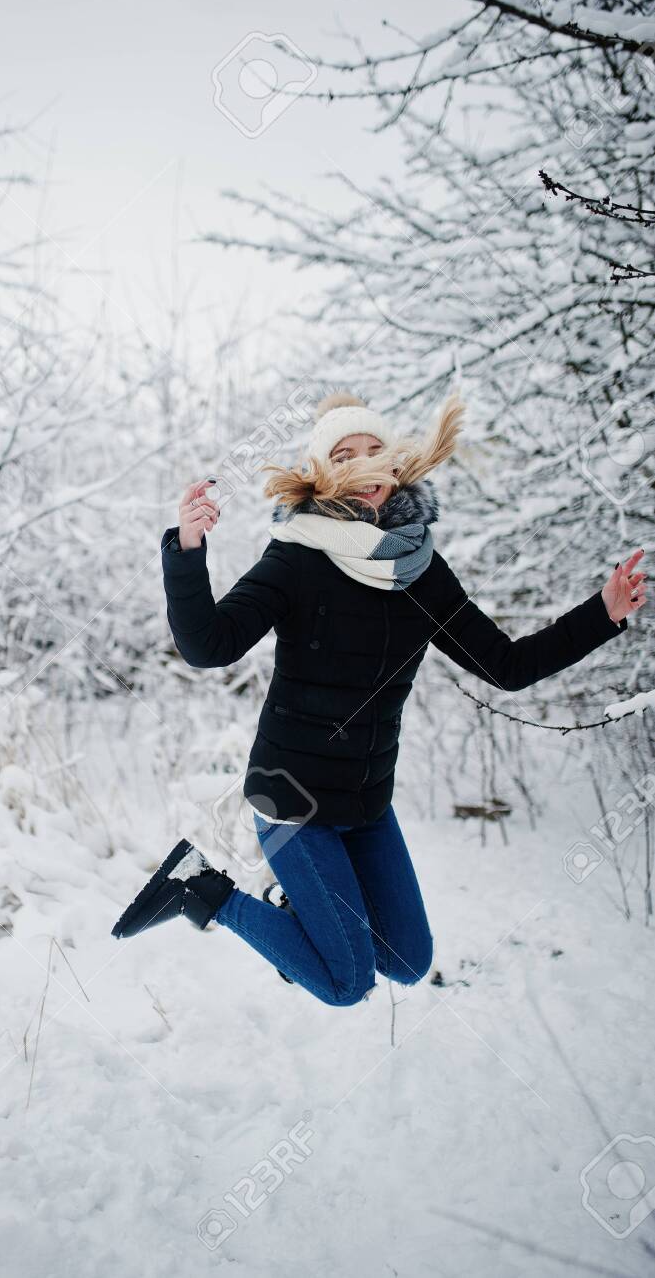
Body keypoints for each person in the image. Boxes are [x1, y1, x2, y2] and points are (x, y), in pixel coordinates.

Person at [111, 391, 646, 1007]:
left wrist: (601, 615)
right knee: (346, 983)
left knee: (407, 960)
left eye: (375, 451)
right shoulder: (298, 558)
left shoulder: (420, 570)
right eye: (345, 455)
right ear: (323, 475)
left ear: (395, 467)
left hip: (365, 800)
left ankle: (299, 908)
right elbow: (209, 645)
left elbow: (507, 665)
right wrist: (187, 550)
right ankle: (202, 890)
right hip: (289, 795)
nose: (364, 465)